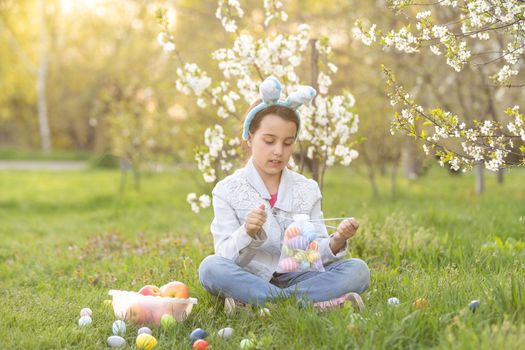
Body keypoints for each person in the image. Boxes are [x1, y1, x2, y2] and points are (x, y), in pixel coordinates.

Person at [198, 76, 370, 314]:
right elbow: (225, 256)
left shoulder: (306, 189)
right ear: (249, 137)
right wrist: (246, 232)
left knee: (358, 270)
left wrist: (335, 241)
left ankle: (262, 305)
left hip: (299, 278)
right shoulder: (227, 190)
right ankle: (309, 305)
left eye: (288, 143)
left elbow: (311, 257)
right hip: (251, 278)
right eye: (269, 141)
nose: (278, 152)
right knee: (210, 268)